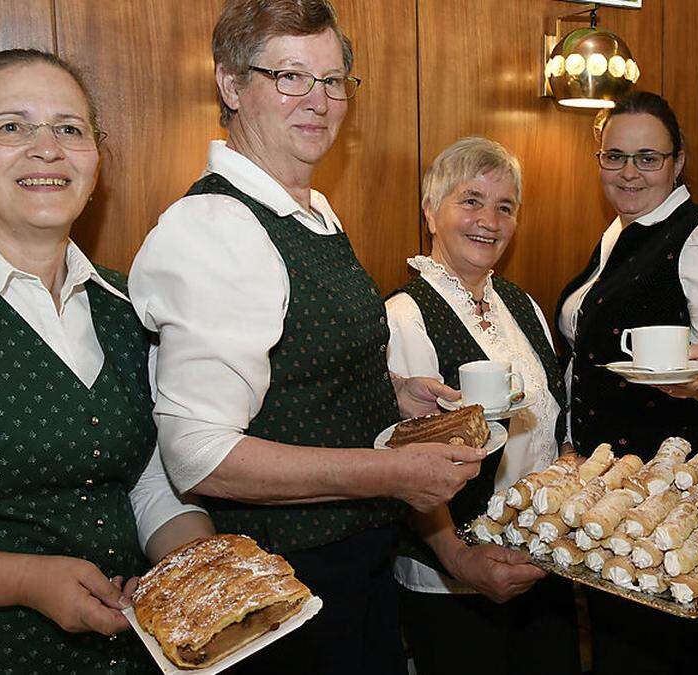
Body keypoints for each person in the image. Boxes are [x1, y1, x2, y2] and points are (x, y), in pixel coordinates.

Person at [128, 2, 483, 673]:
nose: (319, 101)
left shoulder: (312, 208)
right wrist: (391, 472)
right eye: (290, 77)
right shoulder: (215, 225)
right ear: (232, 86)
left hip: (354, 569)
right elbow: (198, 455)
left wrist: (393, 394)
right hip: (285, 596)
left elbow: (295, 368)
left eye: (333, 80)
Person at [0, 49, 213, 674]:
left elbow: (143, 479)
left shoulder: (127, 303)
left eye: (69, 129)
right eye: (12, 126)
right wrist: (25, 580)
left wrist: (204, 570)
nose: (46, 148)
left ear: (95, 162)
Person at [555, 91, 698, 674]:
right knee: (619, 646)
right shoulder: (618, 234)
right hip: (611, 487)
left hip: (668, 503)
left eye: (648, 158)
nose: (629, 172)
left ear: (678, 161)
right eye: (614, 156)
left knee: (656, 657)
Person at [386, 137, 579, 674]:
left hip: (542, 560)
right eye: (471, 200)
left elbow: (553, 413)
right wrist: (458, 558)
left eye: (505, 206)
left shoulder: (521, 303)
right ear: (430, 211)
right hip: (455, 581)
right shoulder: (405, 314)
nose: (488, 220)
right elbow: (405, 463)